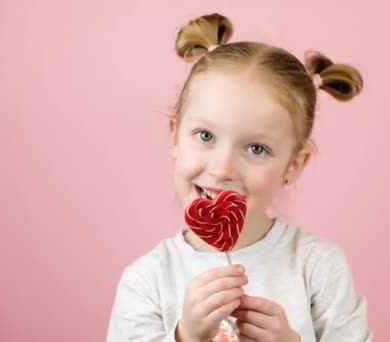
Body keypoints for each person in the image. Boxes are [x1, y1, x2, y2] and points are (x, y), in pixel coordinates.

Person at [106, 13, 371, 342]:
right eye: (205, 136)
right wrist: (184, 336)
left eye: (256, 149)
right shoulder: (147, 280)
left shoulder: (318, 267)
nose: (221, 169)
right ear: (175, 134)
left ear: (293, 166)